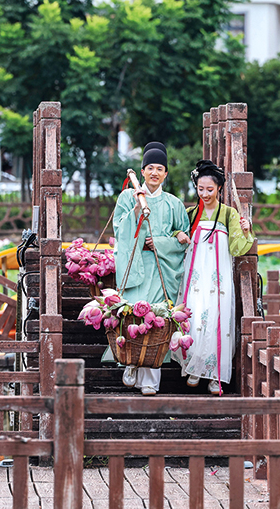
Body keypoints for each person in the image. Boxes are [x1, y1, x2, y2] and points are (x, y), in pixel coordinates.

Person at [113, 142, 189, 395]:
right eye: (150, 168)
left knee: (155, 319)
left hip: (161, 268)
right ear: (142, 171)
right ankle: (130, 363)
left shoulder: (174, 204)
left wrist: (160, 243)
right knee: (132, 315)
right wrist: (136, 209)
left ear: (166, 173)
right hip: (133, 265)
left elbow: (183, 237)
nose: (154, 173)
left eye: (159, 169)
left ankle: (150, 381)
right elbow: (119, 230)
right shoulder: (128, 197)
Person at [172, 160, 254, 395]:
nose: (205, 194)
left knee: (218, 320)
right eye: (201, 189)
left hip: (219, 279)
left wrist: (245, 230)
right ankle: (194, 367)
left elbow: (237, 248)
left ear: (219, 188)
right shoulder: (190, 214)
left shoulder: (228, 214)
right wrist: (177, 233)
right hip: (195, 277)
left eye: (210, 189)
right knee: (194, 318)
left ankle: (215, 375)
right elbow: (174, 232)